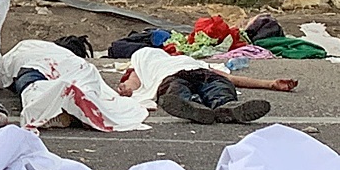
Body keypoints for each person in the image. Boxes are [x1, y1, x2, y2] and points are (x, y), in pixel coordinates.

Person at [117, 47, 292, 124]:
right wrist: (127, 89)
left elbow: (229, 78)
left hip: (196, 73)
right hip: (175, 77)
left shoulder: (185, 59)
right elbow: (132, 82)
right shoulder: (143, 63)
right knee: (184, 89)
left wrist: (271, 84)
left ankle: (225, 106)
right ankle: (199, 107)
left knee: (218, 86)